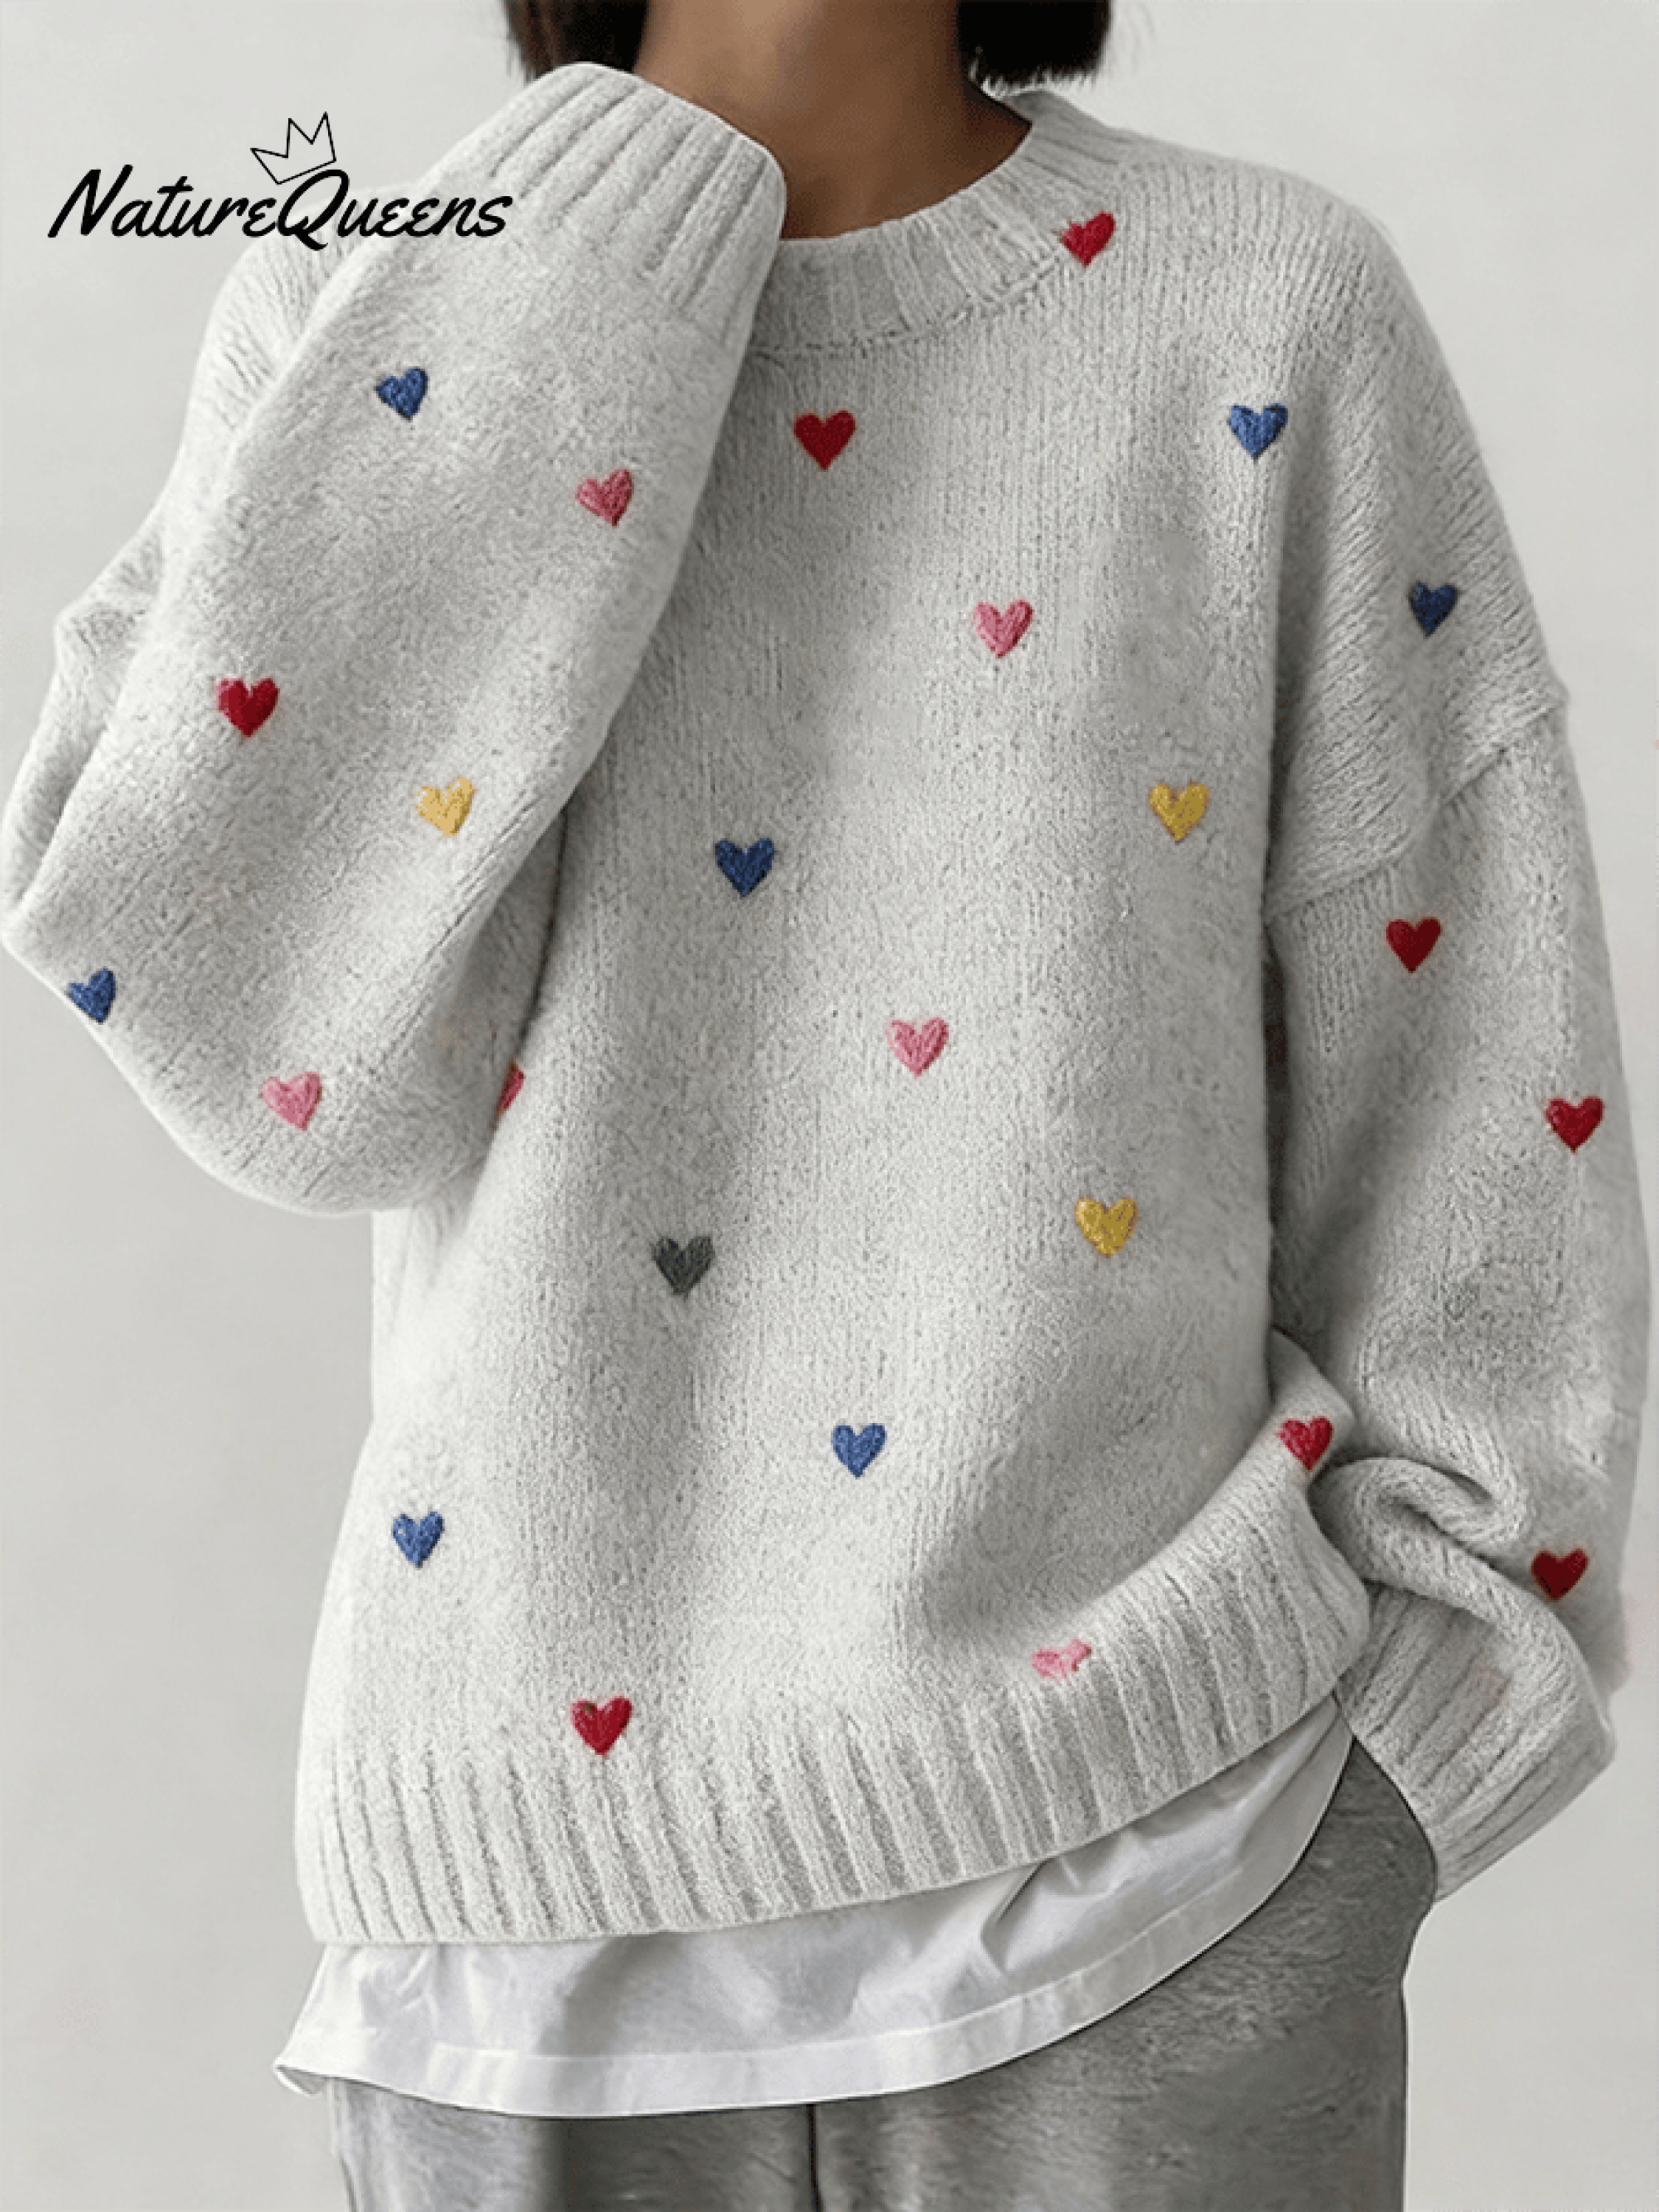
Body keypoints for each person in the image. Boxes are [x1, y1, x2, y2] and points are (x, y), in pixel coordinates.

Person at [0, 1, 1647, 2206]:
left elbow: (1474, 1088)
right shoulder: (381, 294)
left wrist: (1399, 1779)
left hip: (1172, 1896)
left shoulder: (1265, 310)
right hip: (513, 1959)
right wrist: (590, 230)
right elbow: (264, 1038)